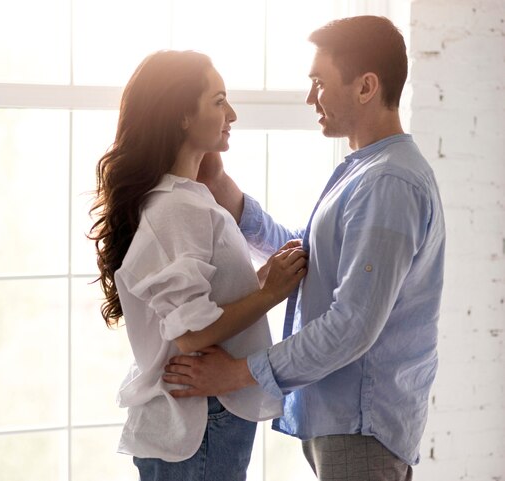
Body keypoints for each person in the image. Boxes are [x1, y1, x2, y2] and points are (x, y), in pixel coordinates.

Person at [163, 16, 446, 481]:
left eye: (319, 82)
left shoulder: (388, 183)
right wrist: (229, 197)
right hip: (346, 425)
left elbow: (352, 325)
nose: (310, 97)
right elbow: (308, 262)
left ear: (366, 87)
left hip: (361, 431)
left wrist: (236, 374)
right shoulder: (367, 171)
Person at [88, 50, 307, 481]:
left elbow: (202, 303)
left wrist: (264, 278)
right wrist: (269, 294)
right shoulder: (177, 206)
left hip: (200, 418)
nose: (233, 114)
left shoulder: (183, 199)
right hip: (200, 419)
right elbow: (191, 335)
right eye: (219, 101)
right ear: (182, 117)